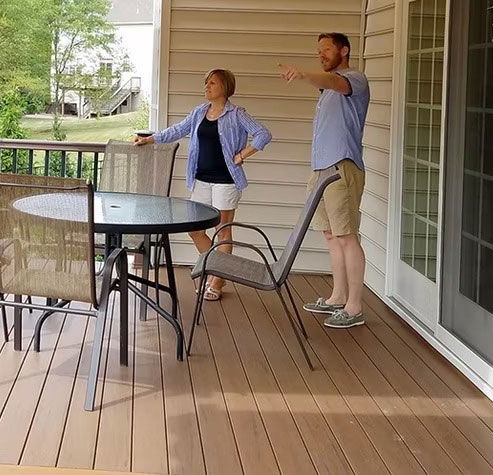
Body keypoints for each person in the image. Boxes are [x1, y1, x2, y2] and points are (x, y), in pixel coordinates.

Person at [134, 68, 271, 301]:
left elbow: (263, 134)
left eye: (212, 83)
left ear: (225, 87)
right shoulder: (199, 112)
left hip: (226, 181)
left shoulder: (237, 114)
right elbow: (178, 130)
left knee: (223, 231)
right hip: (201, 180)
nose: (207, 86)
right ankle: (217, 269)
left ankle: (216, 281)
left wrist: (242, 155)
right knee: (195, 229)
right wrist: (150, 139)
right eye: (206, 82)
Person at [279, 32, 370, 329]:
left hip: (341, 167)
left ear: (344, 50)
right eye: (318, 50)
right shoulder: (327, 90)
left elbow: (333, 81)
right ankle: (338, 296)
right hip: (320, 170)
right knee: (331, 234)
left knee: (346, 236)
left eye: (327, 49)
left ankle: (354, 307)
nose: (321, 54)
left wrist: (303, 75)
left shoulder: (354, 79)